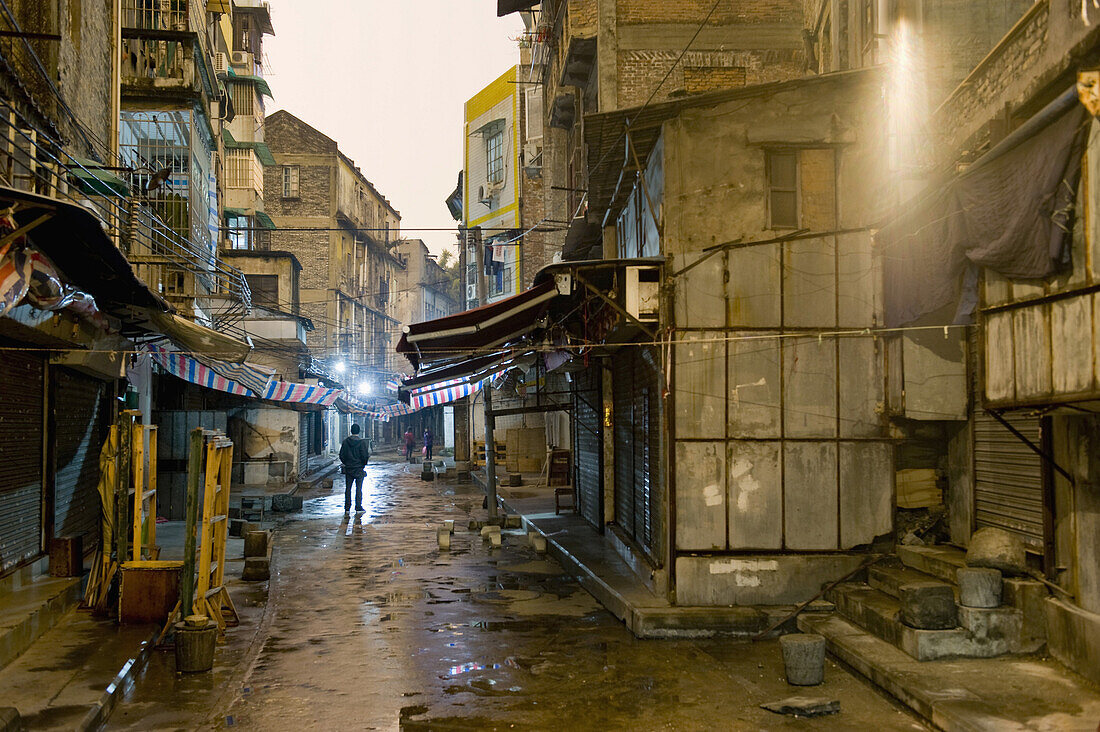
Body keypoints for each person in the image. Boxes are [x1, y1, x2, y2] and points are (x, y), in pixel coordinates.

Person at [339, 423, 371, 515]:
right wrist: (362, 464)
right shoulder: (362, 443)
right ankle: (358, 507)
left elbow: (341, 455)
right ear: (359, 431)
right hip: (359, 469)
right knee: (358, 488)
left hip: (349, 468)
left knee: (348, 488)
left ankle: (347, 507)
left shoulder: (345, 442)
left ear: (351, 431)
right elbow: (365, 455)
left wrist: (347, 463)